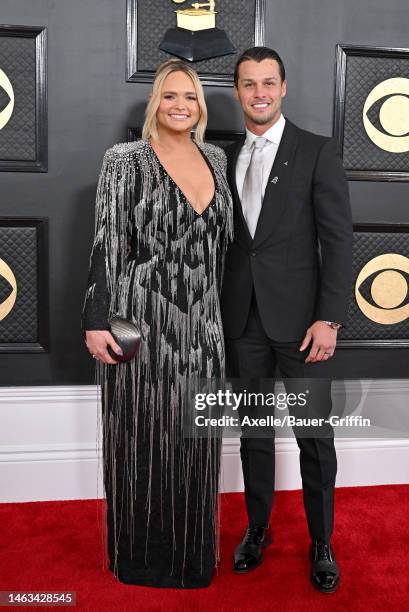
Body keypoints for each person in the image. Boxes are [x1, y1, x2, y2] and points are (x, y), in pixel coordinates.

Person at [81, 58, 233, 588]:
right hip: (141, 322)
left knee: (195, 443)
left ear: (200, 105)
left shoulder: (216, 157)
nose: (180, 106)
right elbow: (107, 241)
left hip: (204, 328)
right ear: (155, 103)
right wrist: (96, 319)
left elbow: (225, 249)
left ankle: (192, 559)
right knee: (142, 435)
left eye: (189, 97)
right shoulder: (125, 161)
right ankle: (141, 559)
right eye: (170, 96)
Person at [221, 47, 353, 593]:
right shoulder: (219, 156)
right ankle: (258, 529)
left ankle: (321, 541)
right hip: (242, 320)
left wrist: (330, 319)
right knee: (253, 433)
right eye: (249, 84)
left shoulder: (317, 152)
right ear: (237, 91)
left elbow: (338, 241)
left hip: (303, 325)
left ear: (284, 87)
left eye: (268, 83)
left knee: (314, 437)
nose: (259, 93)